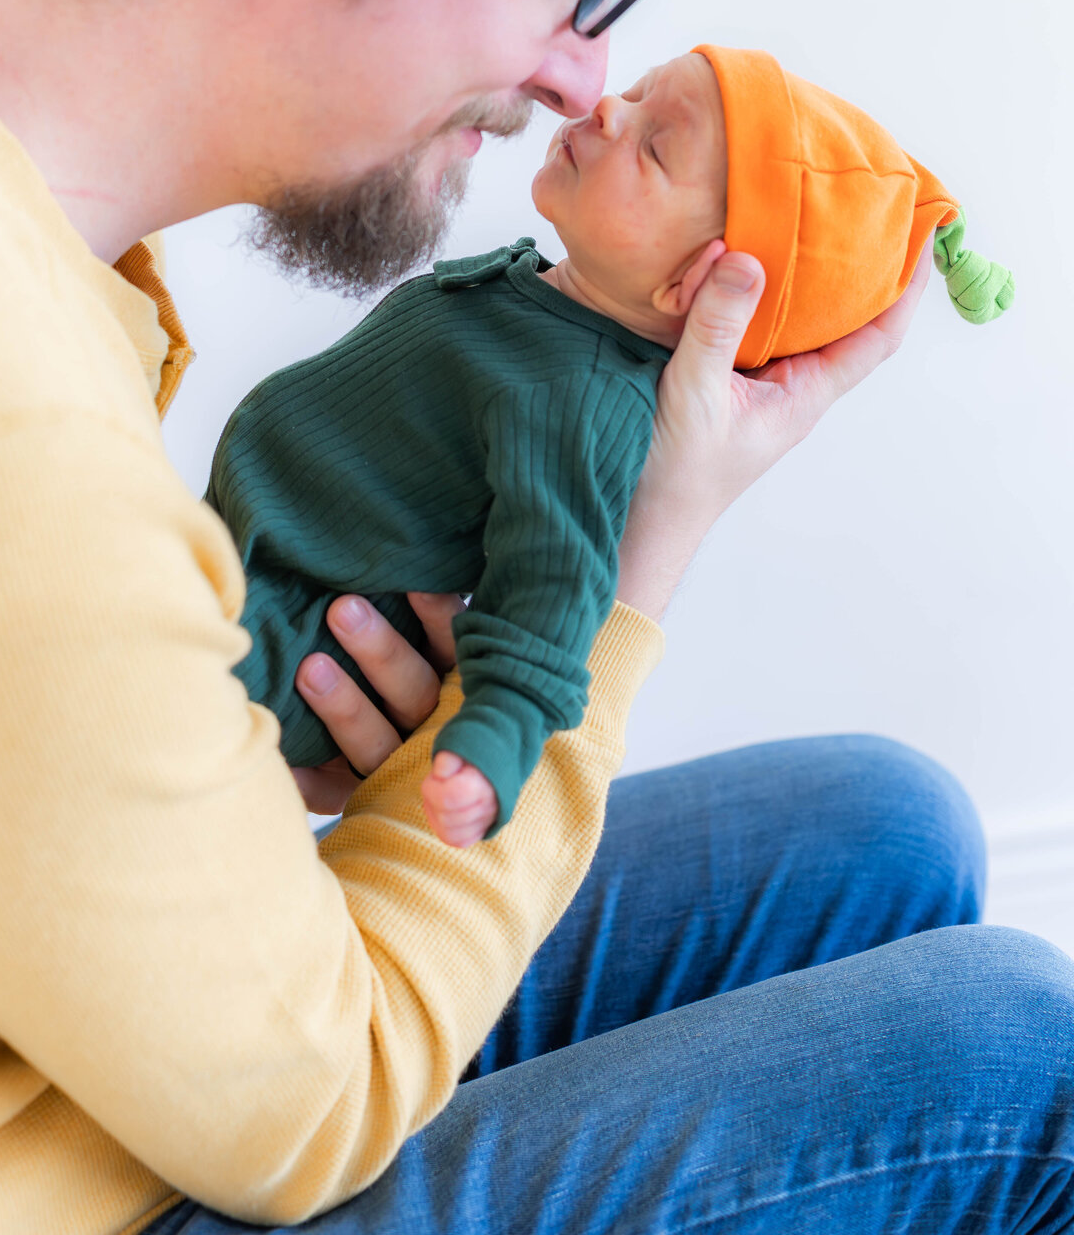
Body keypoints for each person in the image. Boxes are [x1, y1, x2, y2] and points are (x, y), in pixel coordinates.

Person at [0, 0, 1069, 1235]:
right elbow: (311, 1113)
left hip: (55, 1012)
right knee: (1018, 1062)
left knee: (886, 827)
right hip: (27, 1184)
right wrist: (637, 572)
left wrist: (245, 780)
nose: (581, 76)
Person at [206, 45, 1014, 849]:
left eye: (655, 145)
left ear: (695, 289)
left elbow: (553, 584)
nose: (606, 108)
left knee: (147, 702)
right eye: (635, 93)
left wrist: (492, 742)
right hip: (240, 548)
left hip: (295, 629)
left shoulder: (583, 400)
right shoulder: (538, 298)